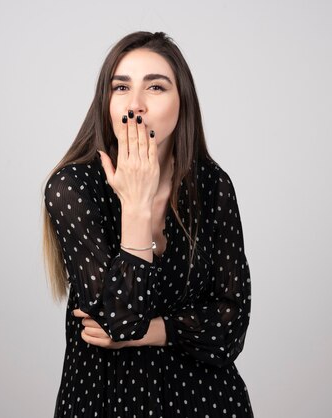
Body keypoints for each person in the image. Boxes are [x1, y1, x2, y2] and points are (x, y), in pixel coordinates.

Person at [41, 31, 253, 417]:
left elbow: (230, 327)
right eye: (121, 88)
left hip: (206, 402)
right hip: (106, 402)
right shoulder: (72, 188)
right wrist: (136, 205)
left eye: (156, 87)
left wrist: (150, 331)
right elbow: (119, 319)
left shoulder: (213, 185)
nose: (135, 105)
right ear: (106, 102)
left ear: (182, 102)